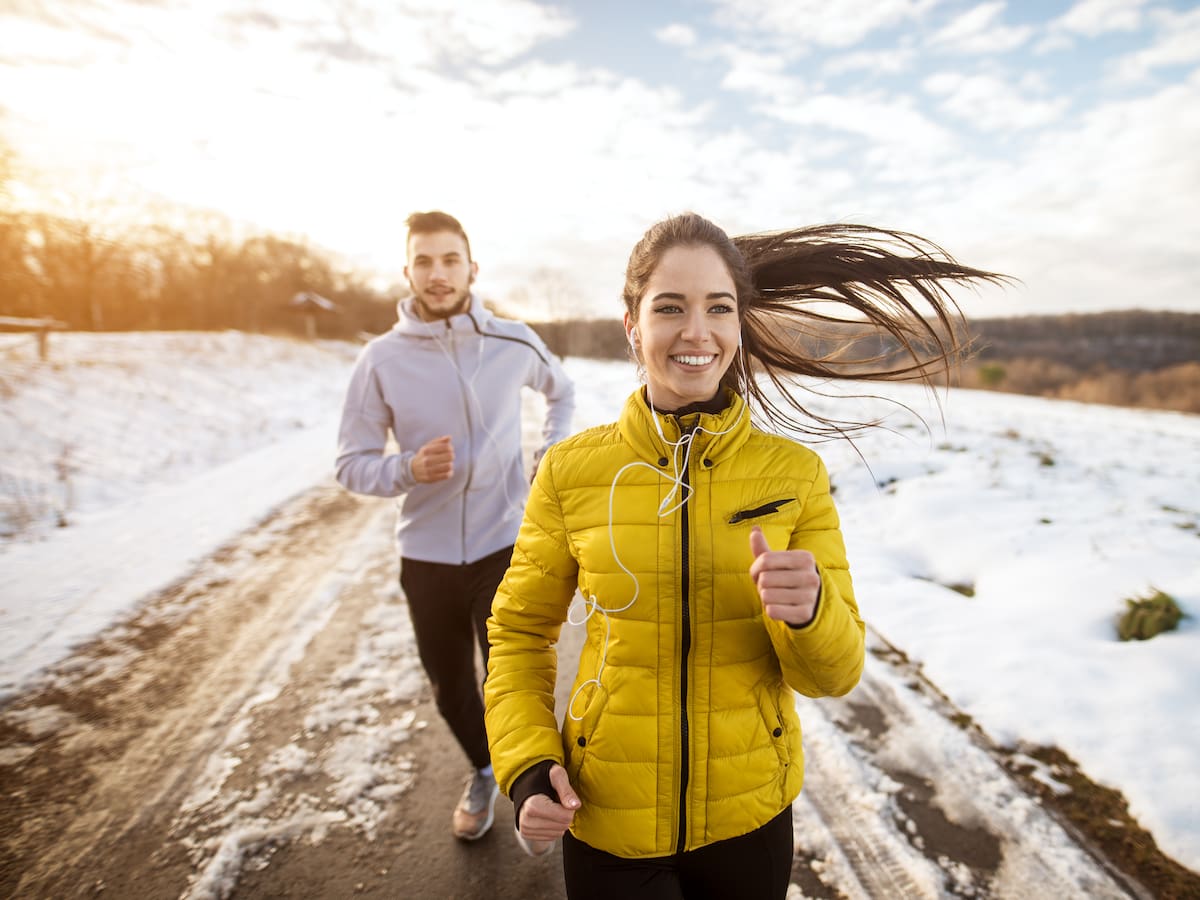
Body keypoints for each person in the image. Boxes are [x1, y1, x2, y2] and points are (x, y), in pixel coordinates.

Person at [483, 212, 1003, 897]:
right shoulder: (572, 472)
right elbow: (519, 633)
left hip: (750, 819)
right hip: (608, 813)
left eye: (718, 308)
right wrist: (525, 765)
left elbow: (836, 674)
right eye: (669, 307)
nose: (696, 331)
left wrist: (810, 611)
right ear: (632, 325)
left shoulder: (794, 475)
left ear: (739, 324)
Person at [335, 210, 575, 841]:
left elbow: (563, 390)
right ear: (407, 271)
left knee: (511, 676)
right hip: (428, 554)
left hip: (504, 542)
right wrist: (407, 469)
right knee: (449, 689)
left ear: (472, 267)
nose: (437, 275)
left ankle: (529, 791)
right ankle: (483, 766)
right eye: (423, 261)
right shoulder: (380, 360)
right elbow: (350, 465)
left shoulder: (513, 341)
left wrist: (551, 451)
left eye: (449, 260)